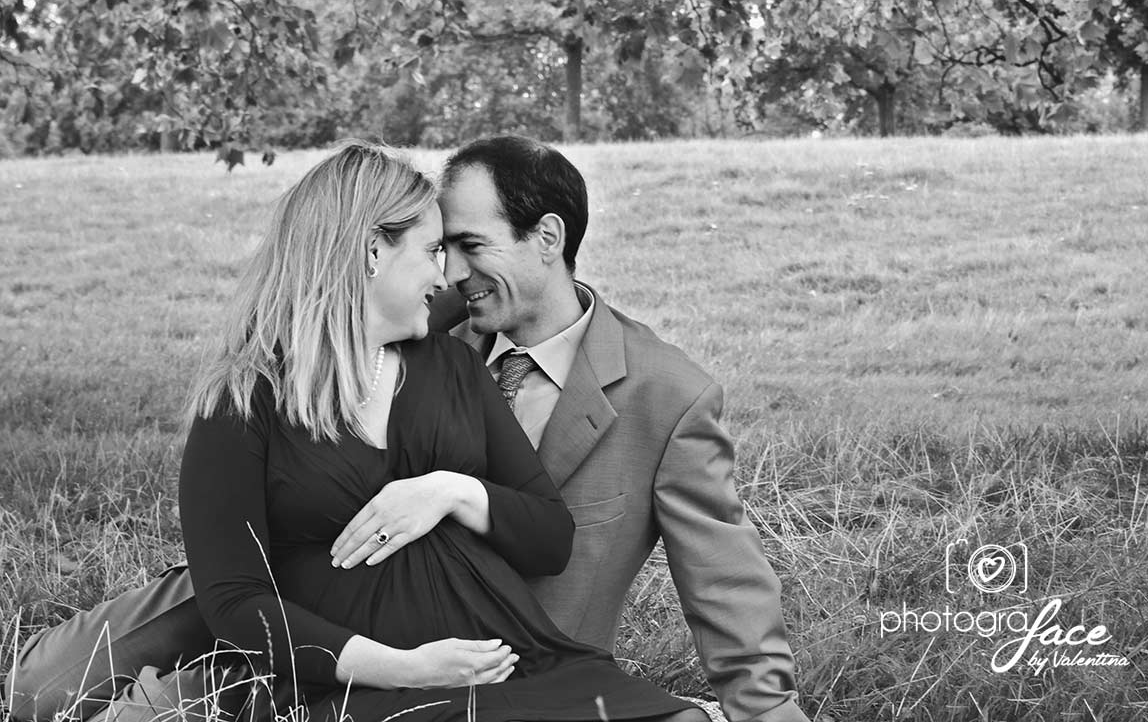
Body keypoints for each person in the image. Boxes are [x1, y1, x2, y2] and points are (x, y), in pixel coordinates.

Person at [6, 137, 806, 722]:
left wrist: (768, 714)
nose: (450, 274)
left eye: (467, 246)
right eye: (438, 249)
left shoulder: (666, 395)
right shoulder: (422, 324)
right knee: (47, 692)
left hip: (482, 645)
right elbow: (326, 297)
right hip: (286, 579)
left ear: (549, 239)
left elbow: (723, 580)